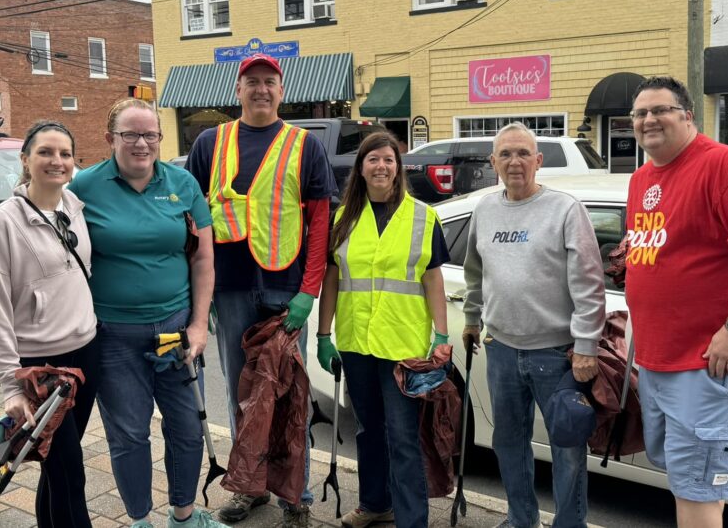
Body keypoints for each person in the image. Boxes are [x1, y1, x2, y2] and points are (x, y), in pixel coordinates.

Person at [623, 77, 728, 528]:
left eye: (660, 110)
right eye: (639, 114)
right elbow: (661, 252)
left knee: (696, 486)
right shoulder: (642, 179)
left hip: (710, 363)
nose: (648, 120)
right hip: (662, 361)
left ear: (687, 115)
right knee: (693, 480)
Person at [187, 53, 336, 528]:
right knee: (240, 394)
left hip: (284, 291)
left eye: (269, 81)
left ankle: (297, 495)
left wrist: (308, 292)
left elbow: (319, 223)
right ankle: (250, 487)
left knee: (291, 397)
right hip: (229, 291)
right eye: (252, 81)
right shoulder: (211, 142)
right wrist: (199, 298)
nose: (261, 89)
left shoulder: (304, 146)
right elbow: (192, 221)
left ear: (281, 89)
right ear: (238, 89)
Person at [68, 99, 224, 528]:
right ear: (109, 139)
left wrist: (198, 324)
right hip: (112, 336)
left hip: (176, 332)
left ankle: (184, 515)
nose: (142, 143)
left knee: (188, 429)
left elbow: (203, 260)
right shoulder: (83, 189)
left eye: (150, 135)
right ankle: (140, 520)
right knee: (129, 435)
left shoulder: (184, 184)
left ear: (160, 138)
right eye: (130, 135)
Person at [462, 122, 606, 528]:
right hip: (502, 350)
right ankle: (521, 520)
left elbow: (589, 284)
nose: (515, 162)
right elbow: (476, 274)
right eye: (505, 154)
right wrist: (472, 319)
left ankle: (569, 524)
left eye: (523, 153)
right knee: (507, 444)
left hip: (558, 356)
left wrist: (587, 346)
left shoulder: (564, 209)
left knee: (568, 448)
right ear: (493, 162)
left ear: (539, 161)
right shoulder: (485, 210)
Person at [315, 131, 450, 528]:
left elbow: (433, 280)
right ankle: (376, 504)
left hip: (402, 345)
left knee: (403, 437)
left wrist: (441, 336)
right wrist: (324, 335)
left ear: (398, 168)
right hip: (357, 343)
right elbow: (333, 279)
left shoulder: (424, 217)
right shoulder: (345, 218)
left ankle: (412, 520)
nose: (381, 166)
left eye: (388, 160)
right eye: (373, 159)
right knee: (369, 429)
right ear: (361, 167)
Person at [0, 121, 99, 527]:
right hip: (42, 368)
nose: (57, 161)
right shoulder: (2, 222)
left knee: (55, 466)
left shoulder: (73, 208)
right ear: (25, 159)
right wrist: (10, 385)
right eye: (45, 152)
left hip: (85, 355)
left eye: (65, 153)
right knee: (70, 471)